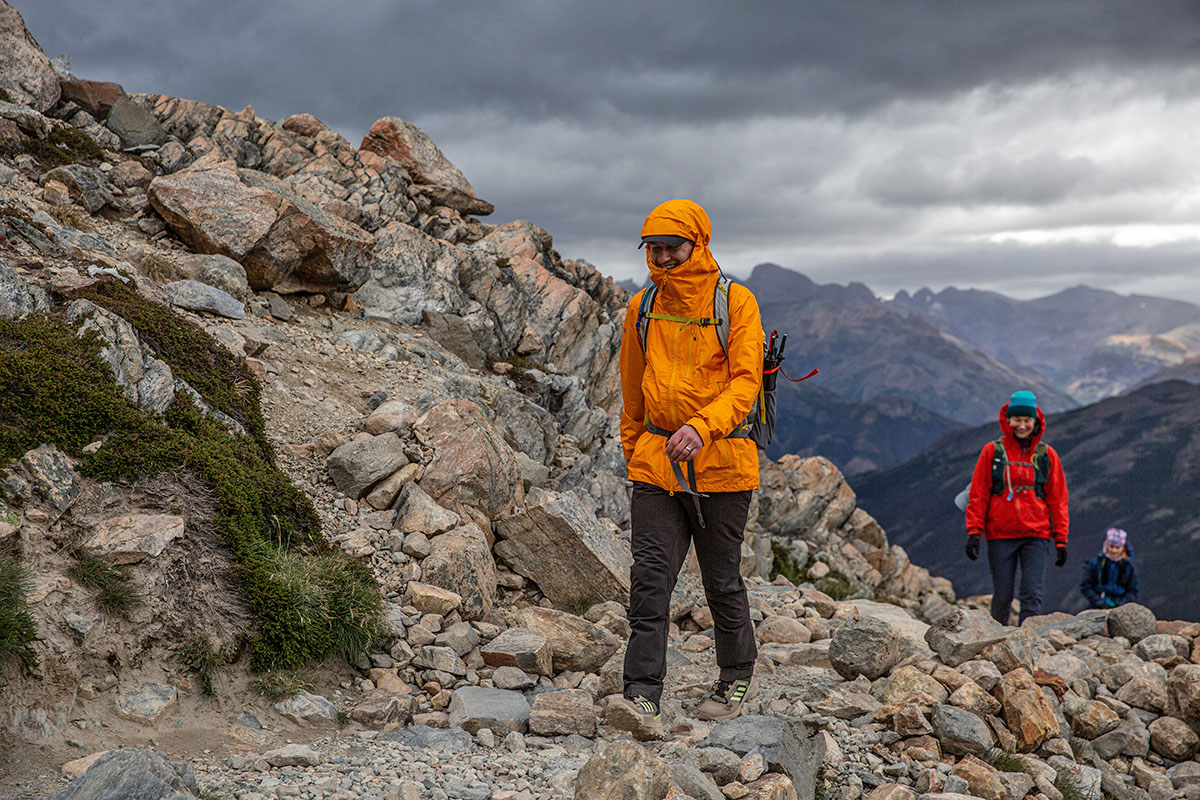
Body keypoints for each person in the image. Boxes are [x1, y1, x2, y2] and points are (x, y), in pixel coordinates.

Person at [607, 199, 764, 739]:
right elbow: (632, 387)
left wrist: (703, 426)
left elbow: (745, 382)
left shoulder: (735, 303)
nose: (662, 257)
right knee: (650, 579)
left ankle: (735, 677)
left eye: (672, 247)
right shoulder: (642, 307)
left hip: (722, 465)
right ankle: (641, 694)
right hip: (656, 466)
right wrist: (635, 451)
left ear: (698, 244)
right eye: (654, 248)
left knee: (721, 580)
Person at [965, 390, 1070, 625]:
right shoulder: (992, 452)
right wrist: (974, 532)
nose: (1022, 426)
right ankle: (996, 640)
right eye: (1017, 420)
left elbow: (1058, 499)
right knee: (1002, 597)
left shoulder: (1046, 455)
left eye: (1027, 420)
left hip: (1036, 535)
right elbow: (979, 494)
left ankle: (1027, 640)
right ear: (1008, 420)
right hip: (1000, 534)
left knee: (1032, 595)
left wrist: (1060, 539)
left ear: (1035, 422)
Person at [1080, 527, 1140, 609]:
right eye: (1111, 546)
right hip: (1096, 606)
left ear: (1123, 548)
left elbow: (1133, 590)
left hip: (1121, 607)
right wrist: (1099, 602)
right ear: (1106, 546)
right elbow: (1085, 586)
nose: (1114, 550)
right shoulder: (1095, 563)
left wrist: (1121, 603)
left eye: (1117, 547)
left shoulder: (1129, 567)